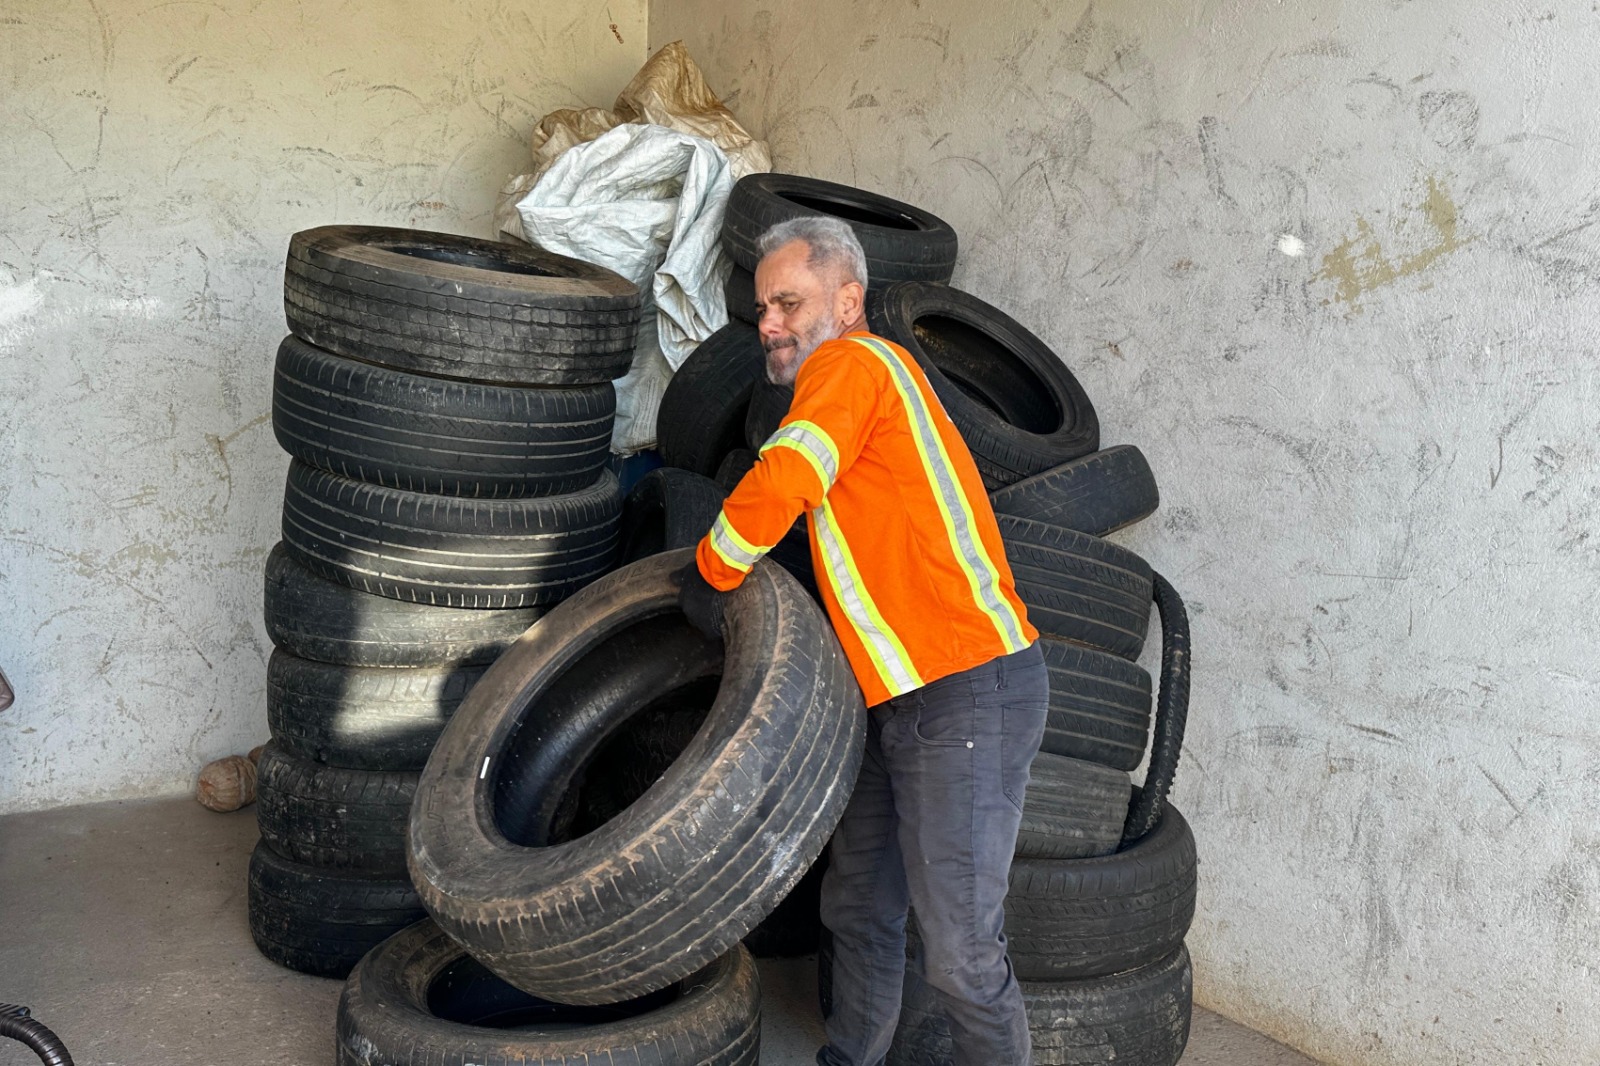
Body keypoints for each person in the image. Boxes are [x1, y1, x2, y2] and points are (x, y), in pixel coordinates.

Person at [680, 214, 1049, 1066]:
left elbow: (790, 472)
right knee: (857, 909)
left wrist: (712, 569)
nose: (767, 322)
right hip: (898, 696)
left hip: (965, 686)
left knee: (959, 951)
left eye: (787, 301)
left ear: (847, 301)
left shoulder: (854, 362)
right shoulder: (855, 383)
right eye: (762, 306)